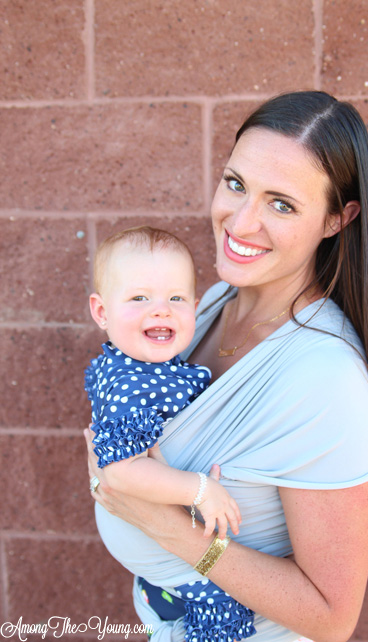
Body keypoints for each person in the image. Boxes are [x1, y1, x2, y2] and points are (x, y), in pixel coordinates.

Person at [84, 90, 368, 642]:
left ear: (336, 219)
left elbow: (331, 617)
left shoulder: (325, 379)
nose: (240, 221)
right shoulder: (210, 305)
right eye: (235, 184)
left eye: (281, 204)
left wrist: (162, 523)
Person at [85, 225, 255, 642]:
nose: (160, 310)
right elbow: (120, 473)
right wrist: (199, 489)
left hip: (168, 557)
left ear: (196, 308)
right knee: (221, 608)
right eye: (139, 298)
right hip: (175, 568)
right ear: (102, 311)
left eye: (176, 298)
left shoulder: (146, 366)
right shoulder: (129, 383)